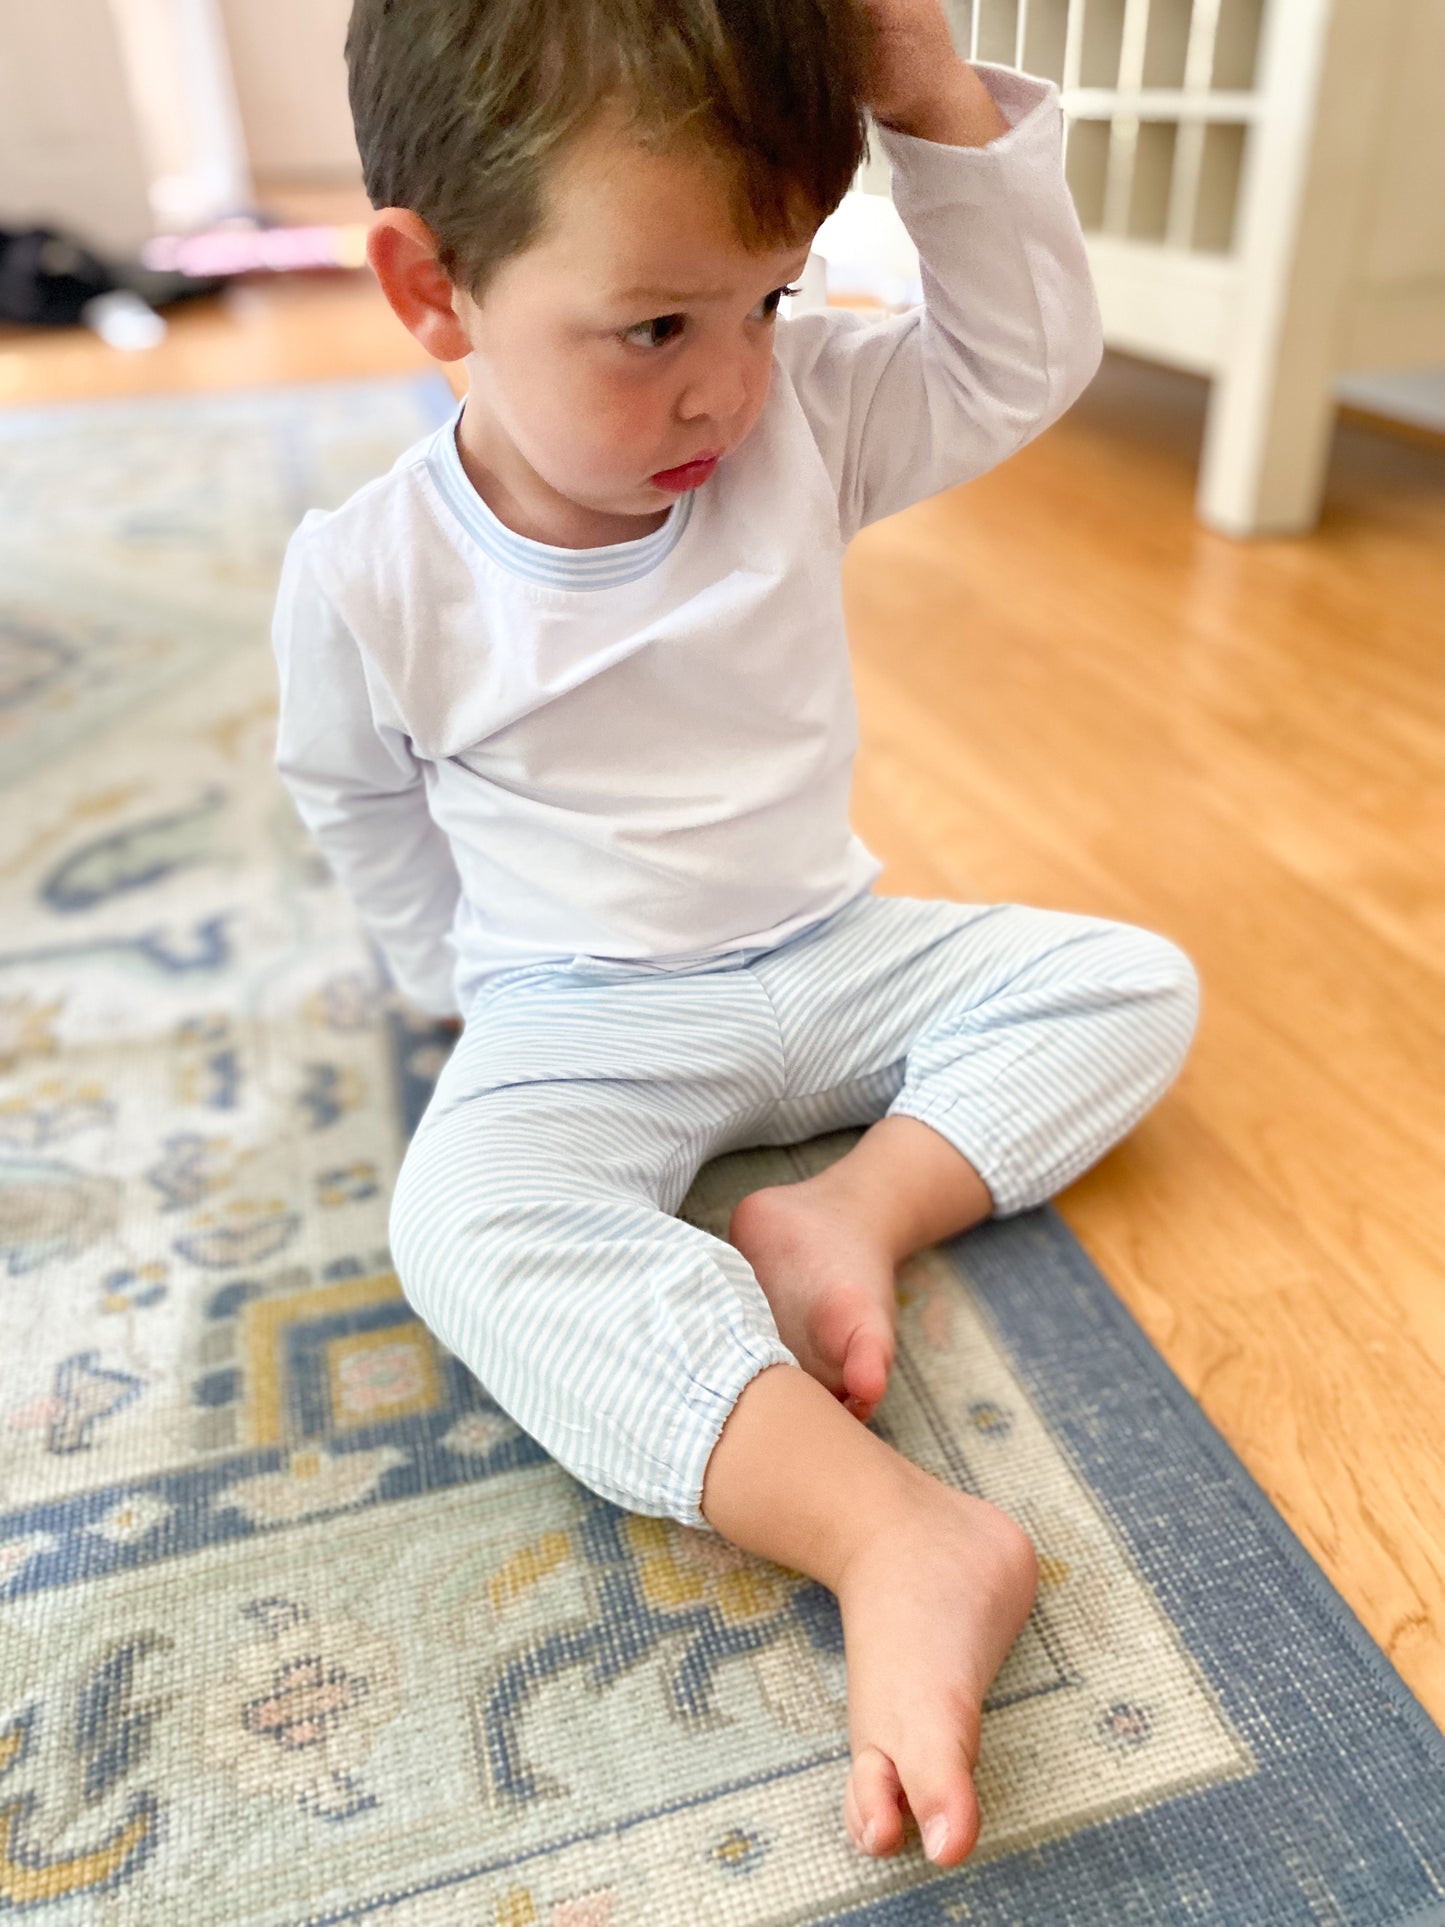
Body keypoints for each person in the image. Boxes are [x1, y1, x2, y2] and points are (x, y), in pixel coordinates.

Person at [271, 0, 1199, 1869]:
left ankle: (843, 1210)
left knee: (1130, 981)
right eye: (654, 330)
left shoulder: (808, 424)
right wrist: (455, 993)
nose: (729, 388)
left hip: (830, 951)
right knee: (461, 1225)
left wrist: (933, 100)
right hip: (579, 1013)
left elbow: (1018, 358)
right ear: (432, 288)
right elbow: (358, 804)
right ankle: (891, 1528)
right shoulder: (368, 574)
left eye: (770, 302)